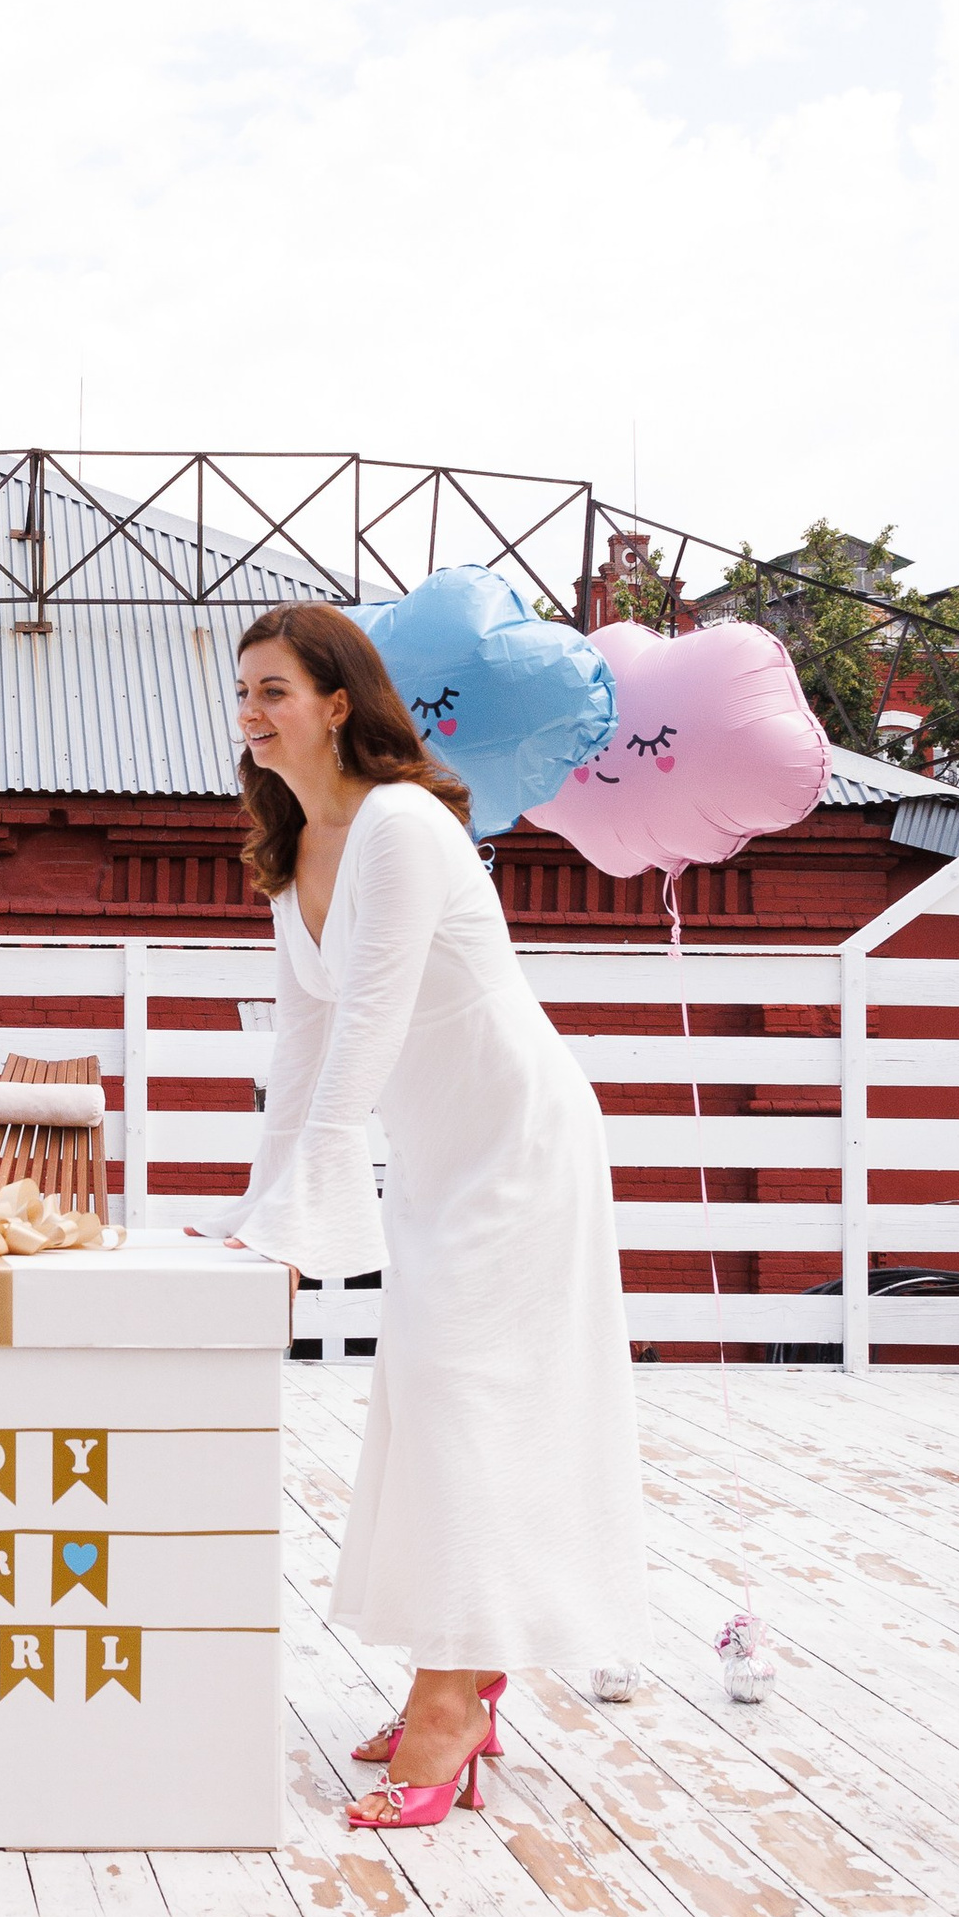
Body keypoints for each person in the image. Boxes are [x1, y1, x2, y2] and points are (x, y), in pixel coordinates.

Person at [221, 601, 649, 1831]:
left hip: (515, 1142)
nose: (251, 714)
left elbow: (372, 1023)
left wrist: (310, 1210)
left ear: (338, 702)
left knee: (470, 1401)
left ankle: (451, 1701)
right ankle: (461, 1669)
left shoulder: (403, 824)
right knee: (427, 1404)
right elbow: (302, 1049)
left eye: (275, 690)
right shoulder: (293, 846)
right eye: (242, 693)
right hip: (436, 1157)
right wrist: (262, 1212)